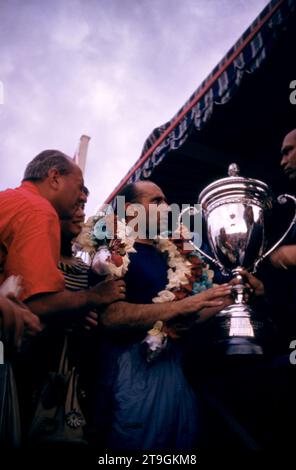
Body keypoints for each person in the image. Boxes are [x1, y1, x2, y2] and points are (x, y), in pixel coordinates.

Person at [94, 181, 233, 451]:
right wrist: (182, 307)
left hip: (177, 370)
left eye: (166, 200)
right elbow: (111, 317)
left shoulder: (172, 253)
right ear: (131, 211)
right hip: (133, 374)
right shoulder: (115, 252)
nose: (167, 208)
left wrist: (232, 293)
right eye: (156, 201)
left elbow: (189, 311)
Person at [0, 150, 125, 325]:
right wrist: (95, 295)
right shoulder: (38, 210)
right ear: (55, 178)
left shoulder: (14, 199)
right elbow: (36, 303)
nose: (82, 197)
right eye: (80, 187)